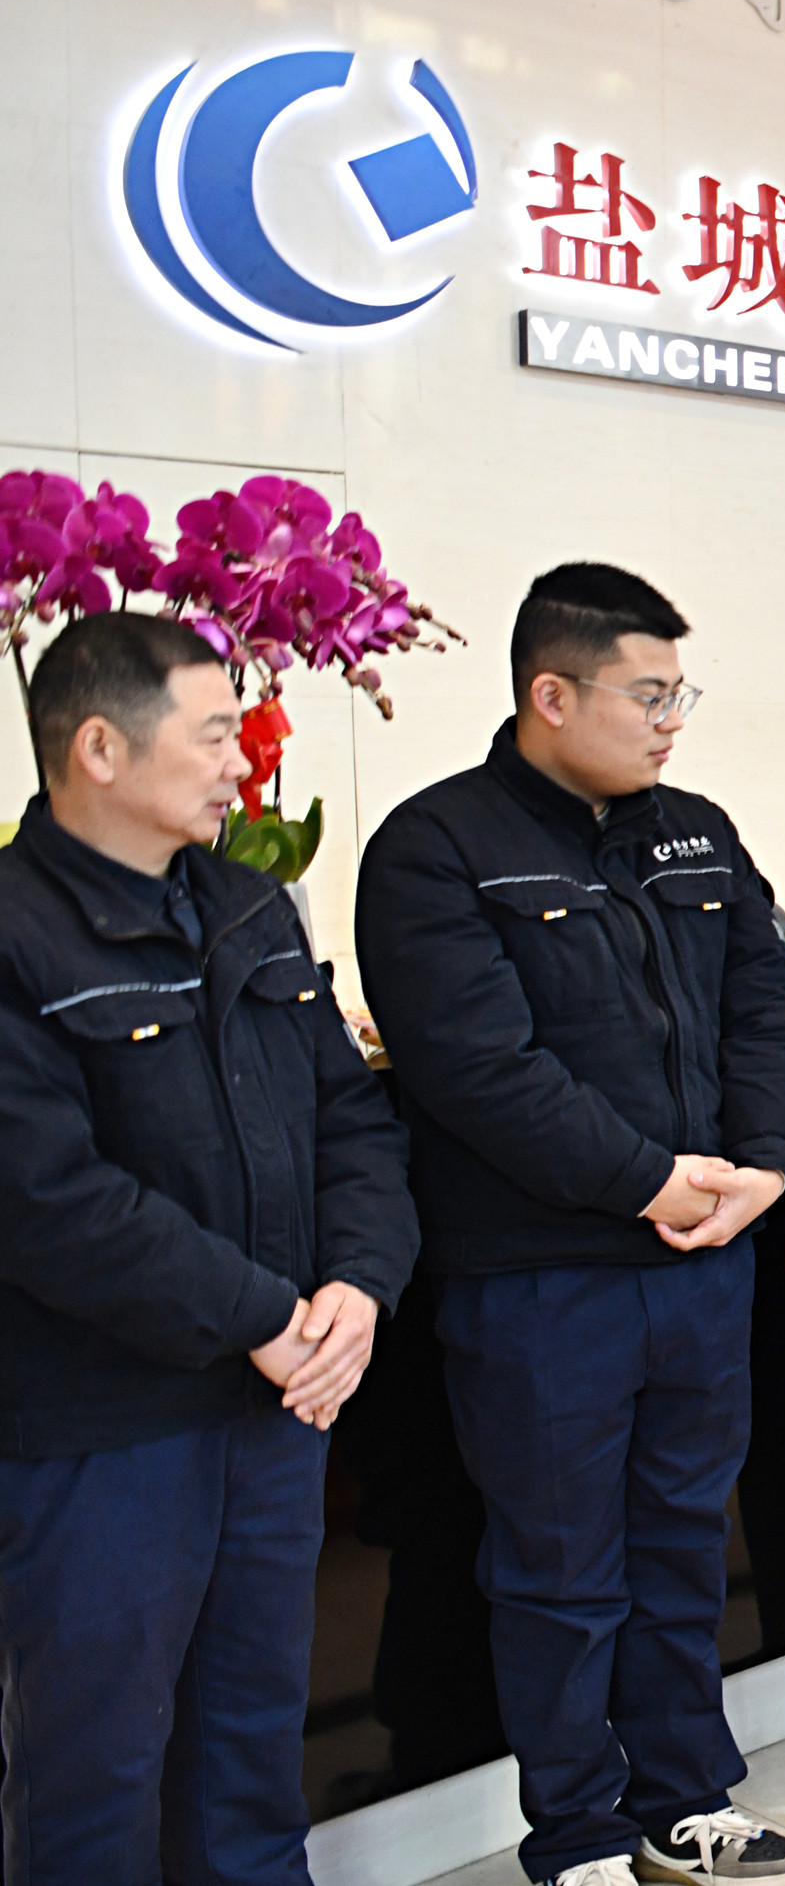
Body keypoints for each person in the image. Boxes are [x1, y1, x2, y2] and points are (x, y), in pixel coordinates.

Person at [357, 564, 785, 1886]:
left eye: (681, 694)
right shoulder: (437, 847)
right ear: (551, 695)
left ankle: (684, 1798)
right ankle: (575, 1833)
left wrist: (768, 1164)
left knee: (683, 1545)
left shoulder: (698, 833)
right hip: (544, 1277)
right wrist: (648, 1180)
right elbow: (479, 1071)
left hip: (703, 1263)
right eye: (648, 694)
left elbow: (768, 1011)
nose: (673, 720)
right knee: (560, 1569)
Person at [0, 613, 420, 1886]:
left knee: (250, 1746)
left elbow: (351, 1118)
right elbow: (49, 1199)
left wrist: (358, 1287)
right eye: (216, 735)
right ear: (99, 749)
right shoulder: (17, 933)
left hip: (276, 1406)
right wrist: (266, 1316)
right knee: (96, 1767)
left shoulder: (247, 906)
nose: (244, 762)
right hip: (104, 1431)